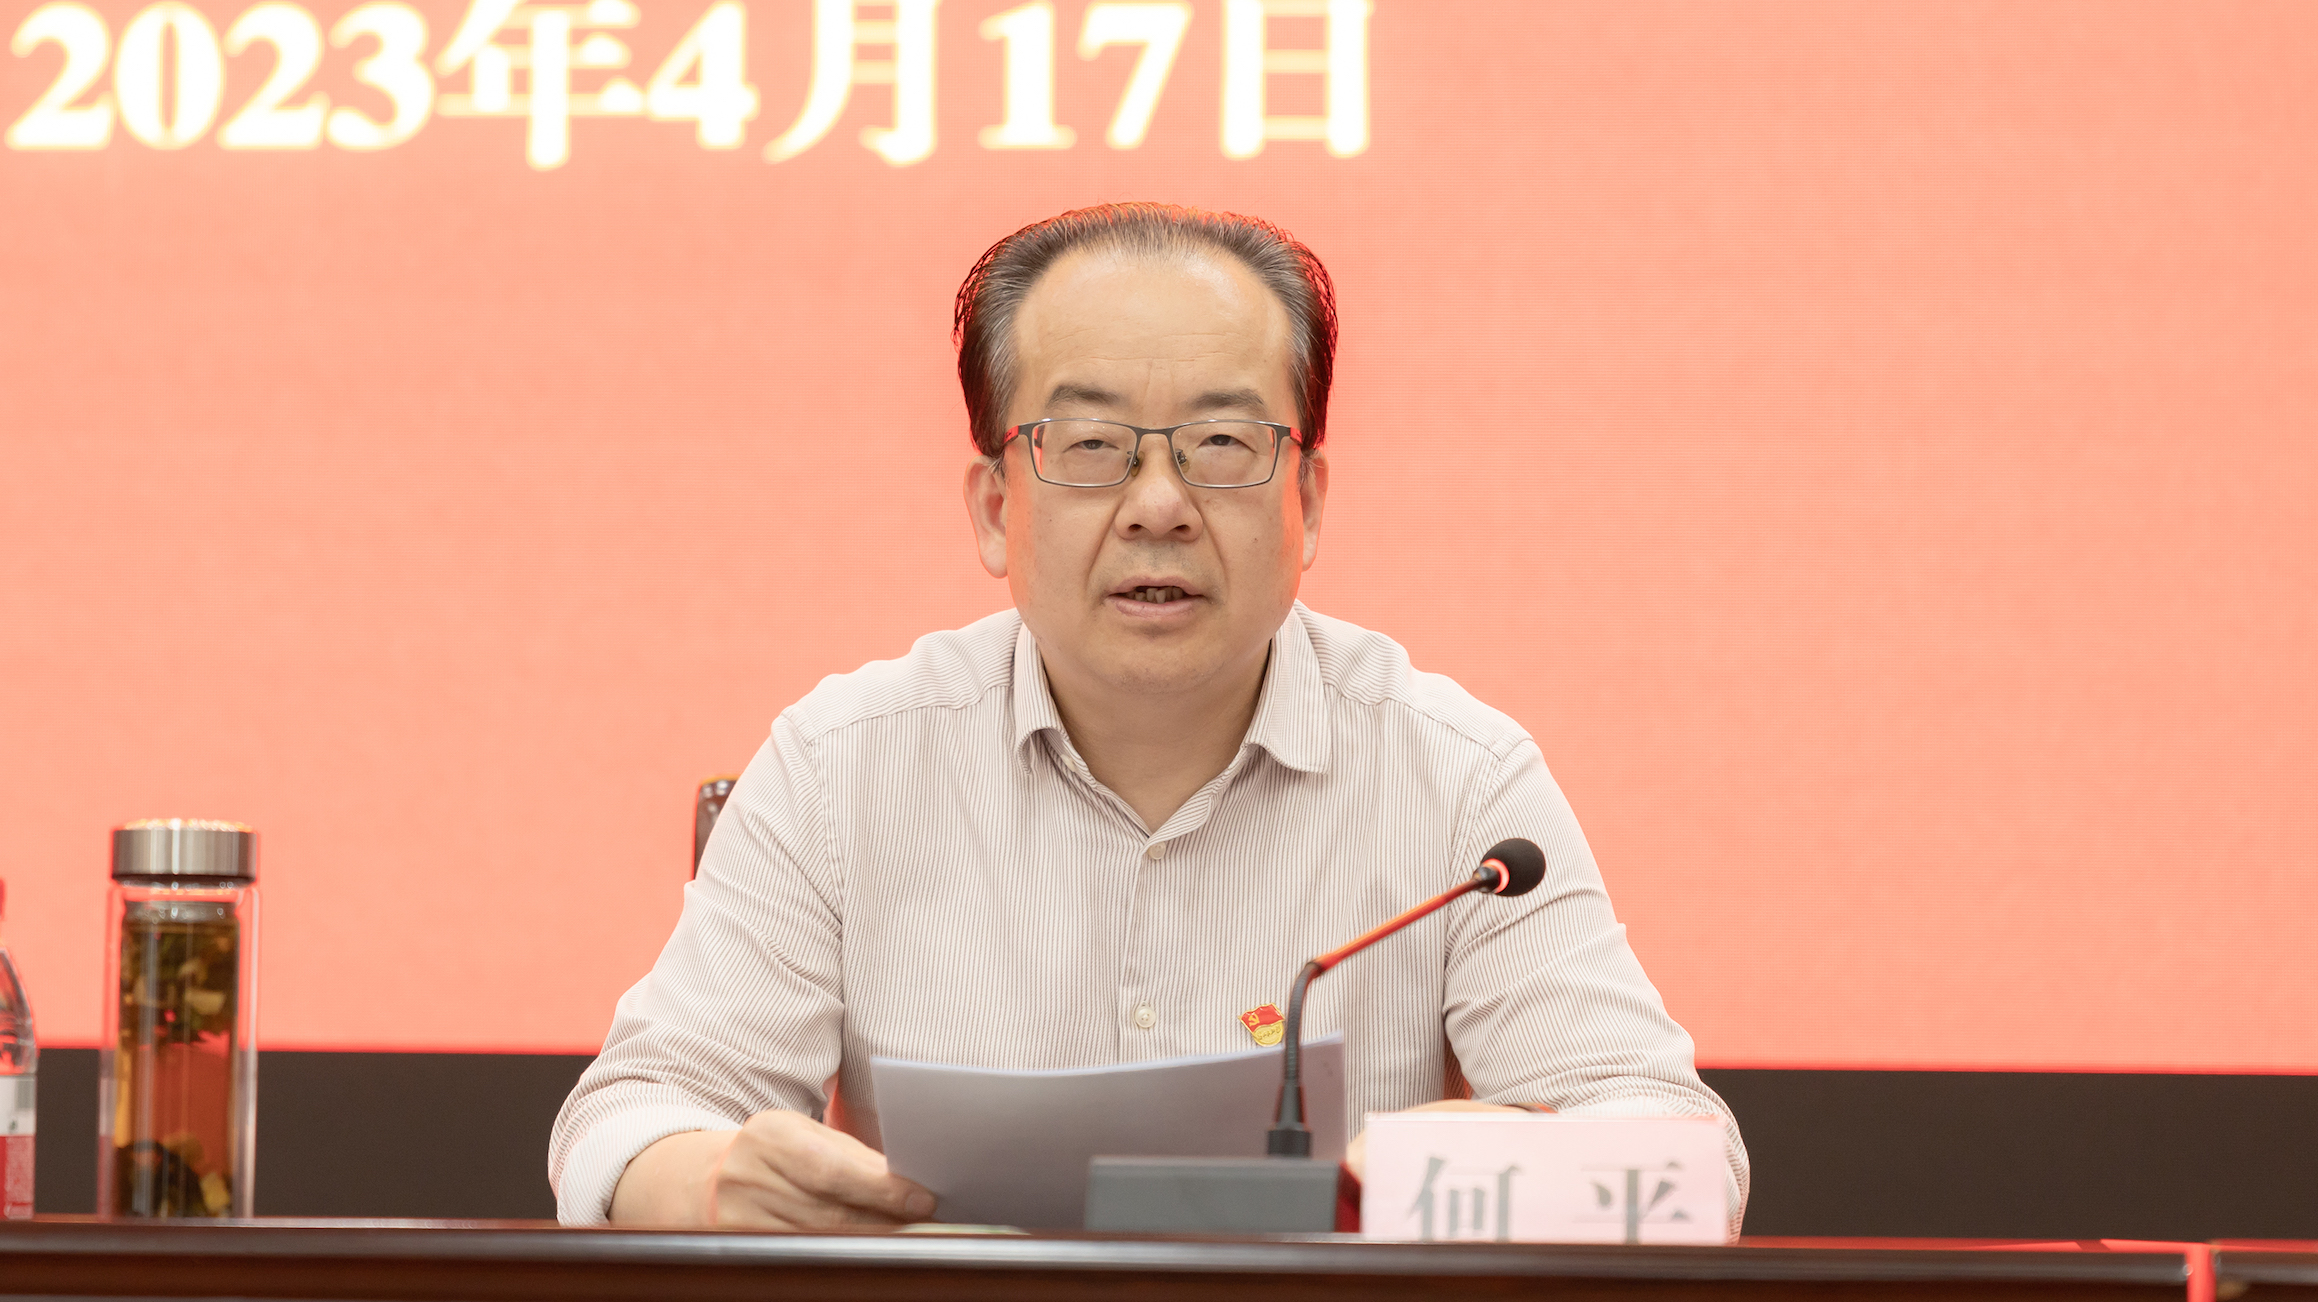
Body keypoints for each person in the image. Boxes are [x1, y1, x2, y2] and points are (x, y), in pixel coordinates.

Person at [550, 203, 1748, 1233]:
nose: (1159, 505)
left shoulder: (1458, 779)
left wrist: (1490, 1165)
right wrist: (712, 1182)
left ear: (1309, 498)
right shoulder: (841, 767)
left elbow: (1676, 1147)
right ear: (992, 508)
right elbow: (627, 1115)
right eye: (1091, 446)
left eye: (1222, 443)